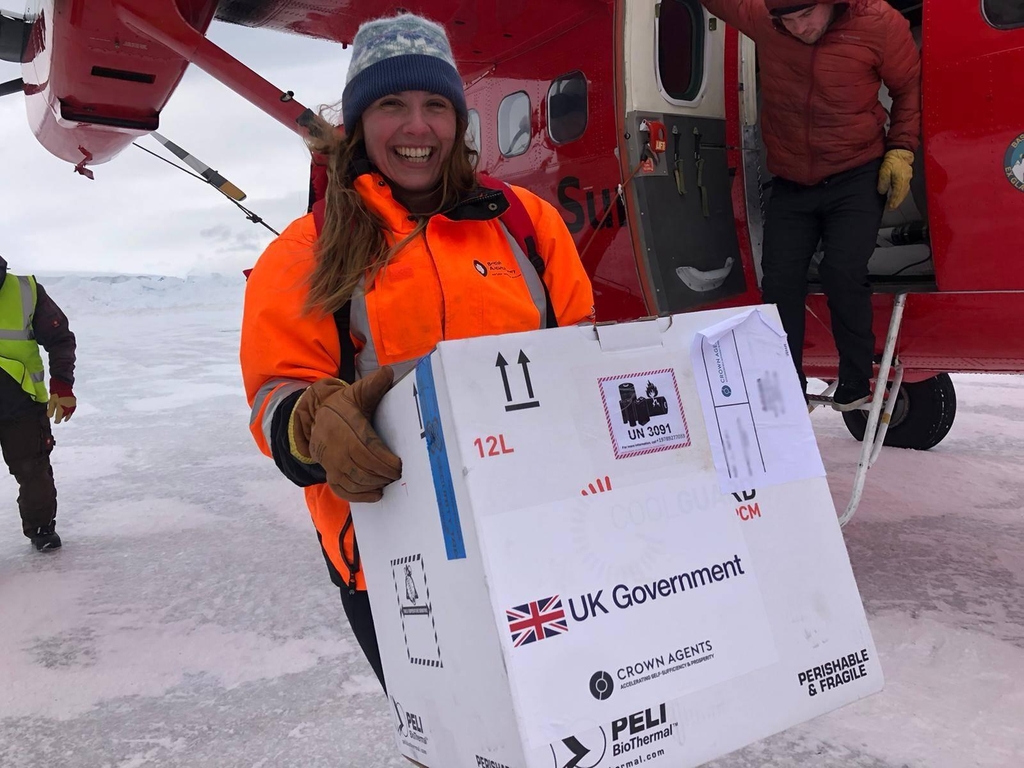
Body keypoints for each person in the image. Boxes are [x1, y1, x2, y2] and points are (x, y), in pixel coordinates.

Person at [240, 12, 594, 689]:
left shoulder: (526, 224)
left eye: (436, 104)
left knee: (574, 715)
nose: (417, 126)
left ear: (458, 120)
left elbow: (579, 355)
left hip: (540, 534)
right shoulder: (304, 251)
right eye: (391, 104)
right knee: (460, 738)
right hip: (395, 562)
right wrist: (315, 424)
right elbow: (274, 395)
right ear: (358, 121)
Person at [700, 0, 921, 410]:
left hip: (856, 172)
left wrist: (902, 149)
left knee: (842, 270)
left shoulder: (878, 23)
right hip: (792, 182)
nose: (800, 28)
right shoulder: (763, 19)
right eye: (788, 21)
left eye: (806, 16)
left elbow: (908, 86)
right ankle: (788, 380)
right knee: (780, 282)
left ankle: (856, 380)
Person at [0, 255, 77, 551]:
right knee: (34, 471)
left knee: (33, 471)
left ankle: (42, 528)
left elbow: (59, 338)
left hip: (22, 402)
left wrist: (62, 384)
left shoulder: (26, 290)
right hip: (23, 402)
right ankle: (42, 529)